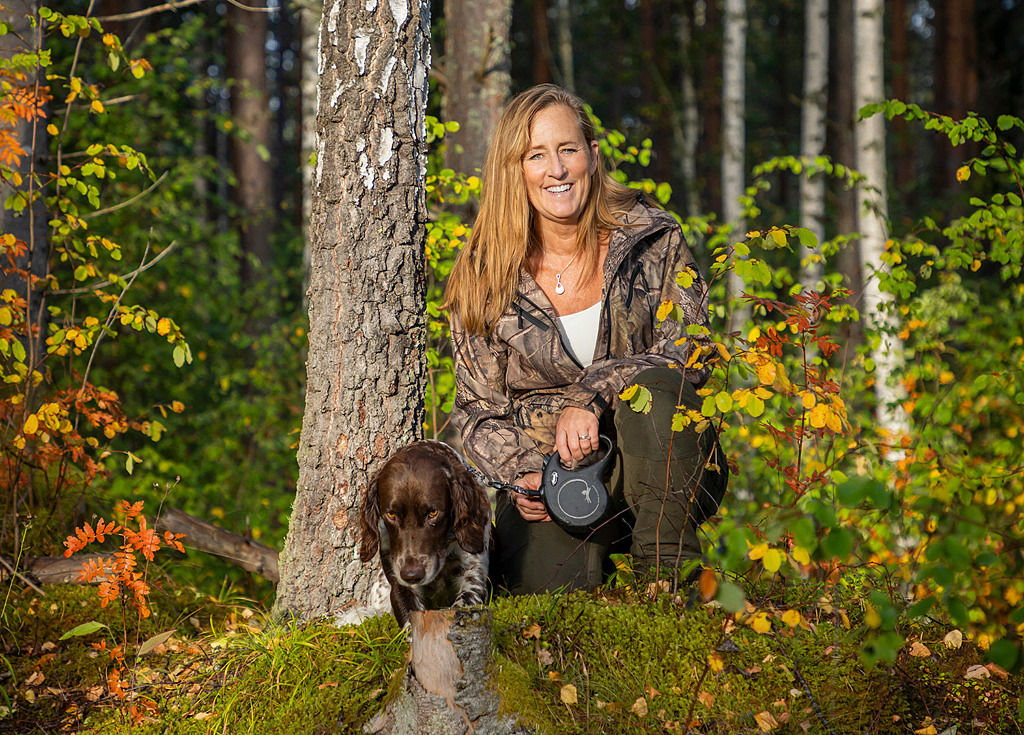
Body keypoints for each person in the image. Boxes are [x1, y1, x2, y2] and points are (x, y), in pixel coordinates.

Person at [443, 84, 727, 596]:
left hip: (663, 464)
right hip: (558, 489)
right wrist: (524, 472)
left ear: (592, 157)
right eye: (536, 155)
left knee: (658, 394)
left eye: (567, 150)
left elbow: (693, 351)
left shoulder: (652, 239)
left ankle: (666, 587)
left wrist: (592, 392)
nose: (556, 170)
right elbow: (476, 411)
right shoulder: (484, 273)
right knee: (548, 622)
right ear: (516, 170)